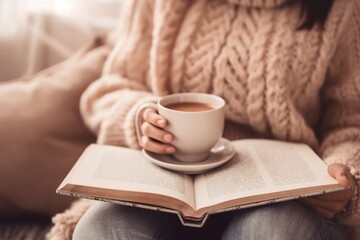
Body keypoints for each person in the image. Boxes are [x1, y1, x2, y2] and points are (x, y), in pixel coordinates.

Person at [71, 0, 360, 239]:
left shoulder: (341, 8)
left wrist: (343, 172)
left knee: (267, 232)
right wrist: (141, 120)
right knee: (103, 227)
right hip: (167, 188)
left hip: (285, 199)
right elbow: (111, 87)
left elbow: (350, 120)